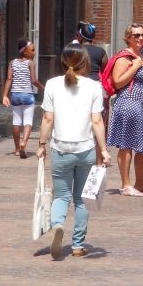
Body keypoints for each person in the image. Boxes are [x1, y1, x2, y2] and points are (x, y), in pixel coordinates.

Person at [37, 44, 110, 259]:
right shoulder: (94, 87)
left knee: (61, 196)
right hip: (85, 149)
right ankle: (78, 244)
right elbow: (97, 121)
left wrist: (41, 144)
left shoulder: (52, 84)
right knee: (81, 198)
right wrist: (104, 150)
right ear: (85, 63)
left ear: (63, 62)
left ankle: (58, 225)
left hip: (60, 148)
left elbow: (48, 118)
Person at [107, 24, 143, 196]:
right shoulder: (124, 57)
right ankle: (126, 184)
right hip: (128, 103)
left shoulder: (142, 55)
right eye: (136, 35)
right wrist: (135, 67)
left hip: (142, 106)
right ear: (128, 38)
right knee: (126, 144)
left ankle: (140, 183)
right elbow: (118, 81)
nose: (140, 38)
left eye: (142, 35)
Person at [2, 40, 40, 158]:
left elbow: (9, 79)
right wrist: (43, 87)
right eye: (32, 50)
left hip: (15, 95)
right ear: (25, 52)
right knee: (28, 121)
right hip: (28, 95)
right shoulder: (30, 63)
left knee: (16, 121)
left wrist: (4, 95)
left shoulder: (12, 62)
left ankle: (17, 149)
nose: (34, 52)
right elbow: (34, 81)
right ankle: (24, 143)